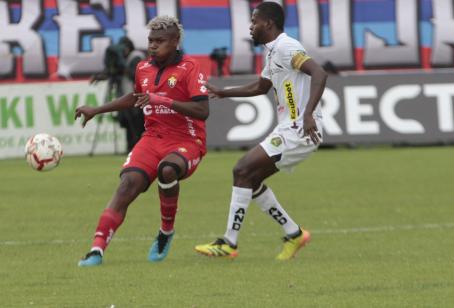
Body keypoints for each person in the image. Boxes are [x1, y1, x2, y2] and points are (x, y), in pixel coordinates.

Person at [194, 2, 327, 261]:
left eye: (254, 21)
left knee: (241, 169)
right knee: (250, 179)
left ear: (268, 23)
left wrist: (308, 113)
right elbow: (260, 86)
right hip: (290, 127)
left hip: (299, 129)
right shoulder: (273, 52)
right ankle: (294, 233)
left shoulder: (287, 47)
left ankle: (229, 243)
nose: (250, 27)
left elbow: (318, 73)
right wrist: (224, 92)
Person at [75, 16, 210, 267]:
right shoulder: (143, 68)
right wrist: (97, 109)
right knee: (127, 185)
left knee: (167, 170)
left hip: (187, 140)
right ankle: (96, 250)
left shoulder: (190, 67)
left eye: (160, 41)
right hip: (151, 139)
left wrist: (164, 101)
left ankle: (166, 232)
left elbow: (203, 111)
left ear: (176, 42)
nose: (153, 46)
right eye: (150, 41)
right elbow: (135, 97)